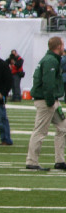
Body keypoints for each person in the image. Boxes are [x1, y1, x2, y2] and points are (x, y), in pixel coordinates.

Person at [25, 36, 66, 171]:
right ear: (59, 46)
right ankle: (32, 161)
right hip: (46, 100)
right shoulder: (50, 61)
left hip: (51, 100)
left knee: (63, 127)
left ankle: (60, 160)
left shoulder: (50, 59)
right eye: (62, 45)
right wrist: (50, 101)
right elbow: (48, 83)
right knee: (40, 130)